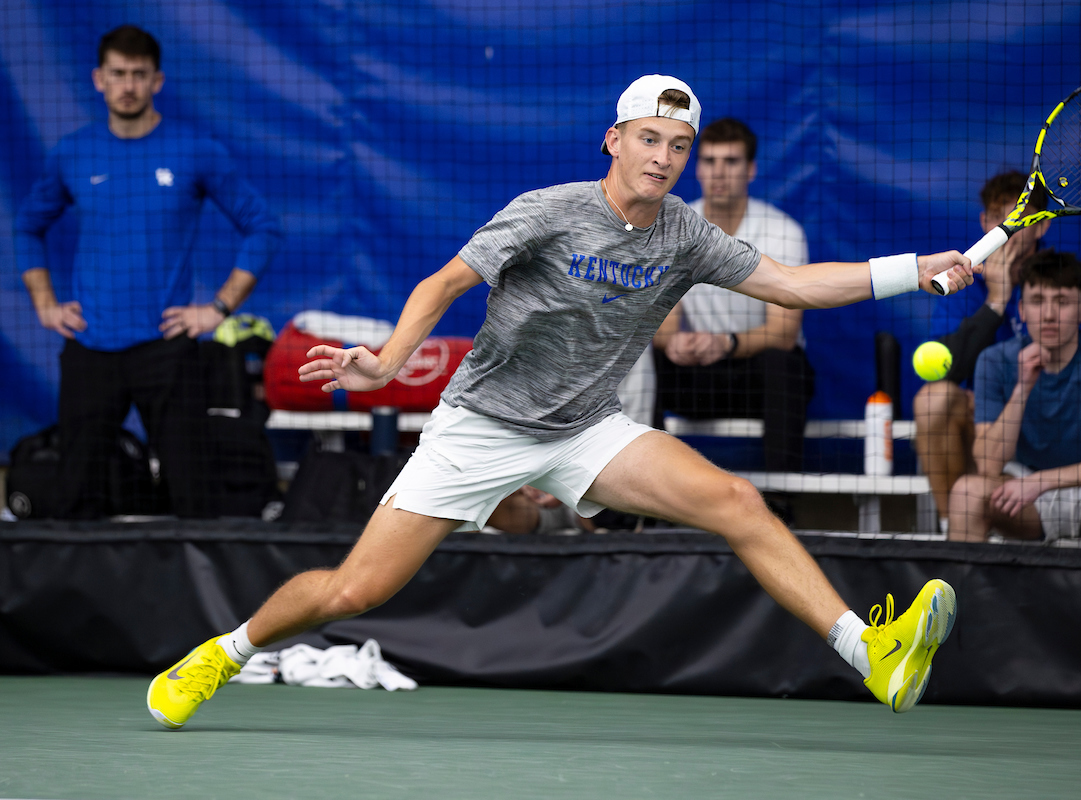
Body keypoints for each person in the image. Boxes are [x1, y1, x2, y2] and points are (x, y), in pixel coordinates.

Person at [148, 74, 973, 727]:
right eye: (650, 138)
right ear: (614, 139)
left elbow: (792, 284)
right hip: (480, 427)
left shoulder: (684, 233)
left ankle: (871, 654)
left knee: (736, 501)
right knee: (353, 593)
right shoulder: (548, 212)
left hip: (586, 428)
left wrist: (915, 266)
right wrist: (388, 361)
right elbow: (444, 283)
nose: (664, 157)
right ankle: (225, 650)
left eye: (678, 145)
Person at [14, 25, 282, 518]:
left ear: (157, 80)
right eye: (118, 74)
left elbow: (262, 227)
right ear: (98, 79)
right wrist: (44, 304)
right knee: (75, 496)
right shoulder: (73, 153)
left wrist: (218, 308)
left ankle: (198, 596)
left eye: (139, 74)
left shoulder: (195, 150)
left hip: (168, 350)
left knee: (194, 495)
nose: (128, 85)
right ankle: (79, 596)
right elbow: (27, 227)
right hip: (90, 348)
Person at [947, 250, 1081, 549]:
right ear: (1022, 310)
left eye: (1063, 302)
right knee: (966, 494)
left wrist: (1040, 483)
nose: (1050, 314)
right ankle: (961, 596)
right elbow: (988, 465)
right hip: (1024, 496)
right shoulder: (994, 360)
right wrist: (1023, 387)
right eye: (1038, 301)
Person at [650, 117, 813, 471]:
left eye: (731, 162)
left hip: (757, 381)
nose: (719, 173)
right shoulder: (673, 226)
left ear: (751, 170)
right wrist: (673, 343)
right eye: (709, 161)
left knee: (785, 364)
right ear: (698, 169)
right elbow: (663, 322)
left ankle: (782, 503)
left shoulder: (783, 231)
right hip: (696, 378)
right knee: (641, 360)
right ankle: (634, 504)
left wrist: (726, 343)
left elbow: (783, 334)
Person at [913, 171, 1050, 532]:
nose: (1007, 227)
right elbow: (945, 368)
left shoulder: (1060, 282)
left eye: (1019, 217)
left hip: (1044, 424)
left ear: (1042, 226)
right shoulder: (959, 280)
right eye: (997, 217)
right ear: (984, 223)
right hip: (982, 431)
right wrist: (996, 302)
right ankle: (952, 525)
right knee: (934, 399)